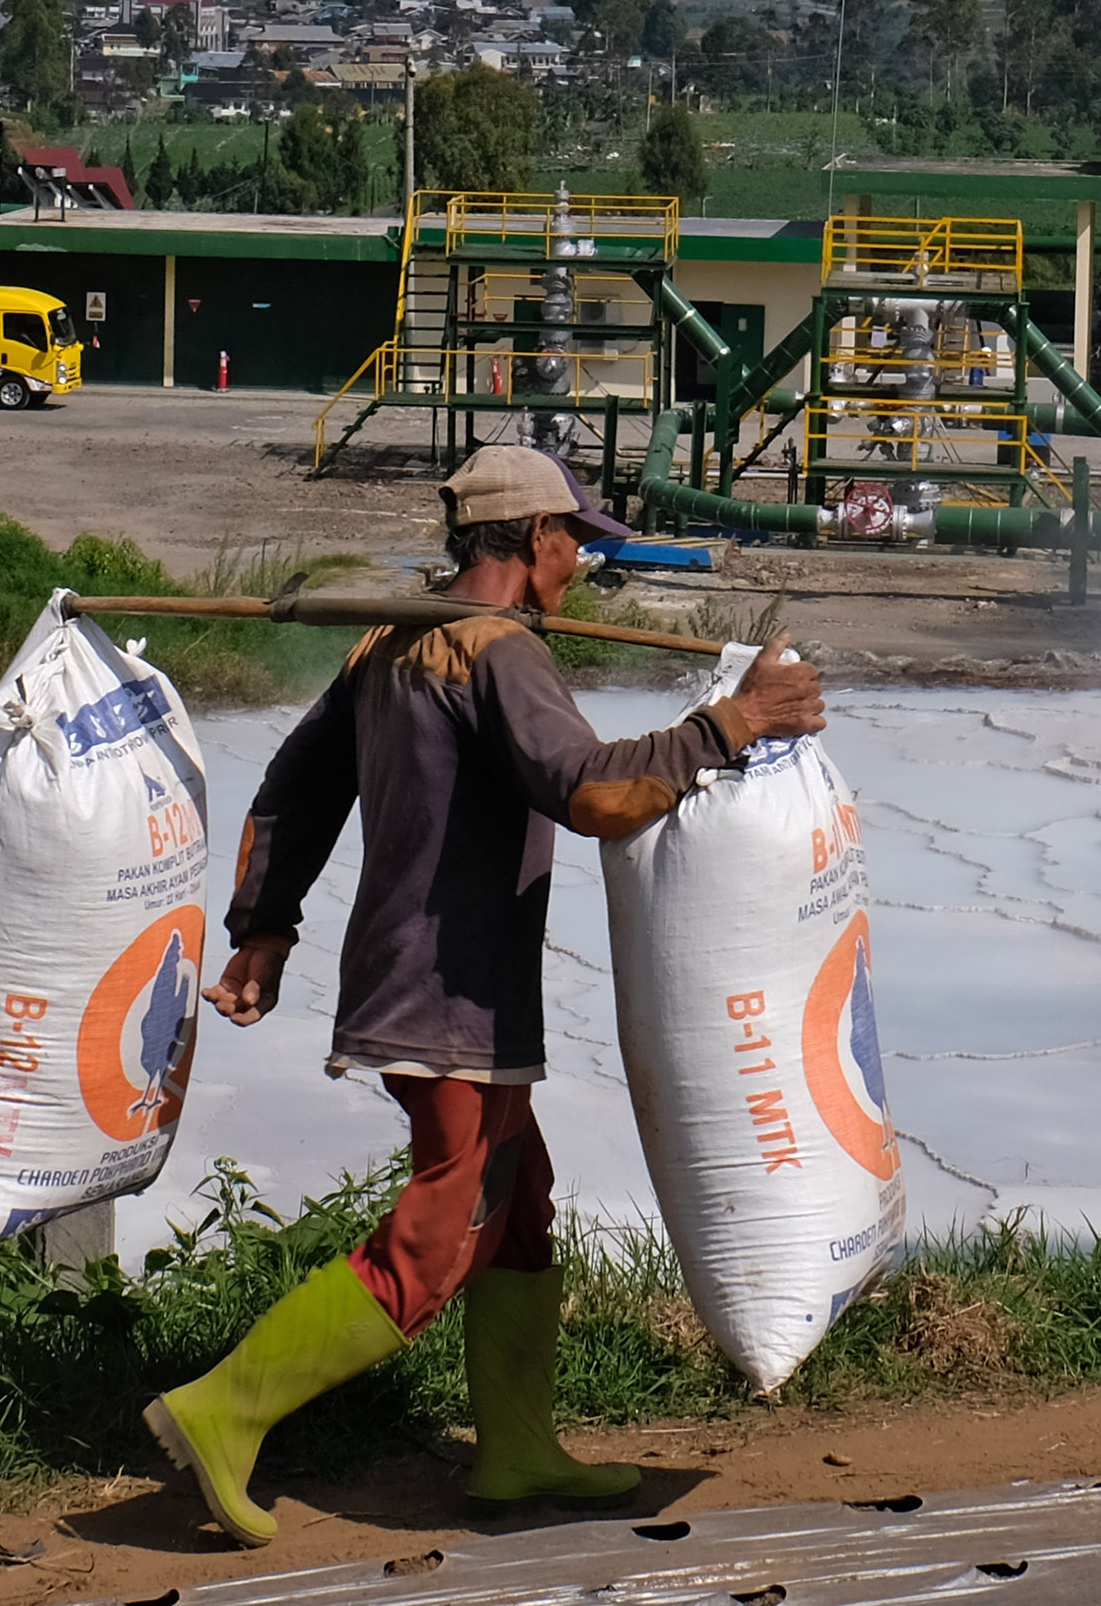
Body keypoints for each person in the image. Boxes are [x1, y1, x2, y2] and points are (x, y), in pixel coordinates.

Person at [141, 443, 825, 1547]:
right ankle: (223, 1411)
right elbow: (596, 789)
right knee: (445, 1226)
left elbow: (296, 786)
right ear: (528, 540)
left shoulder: (391, 640)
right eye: (575, 544)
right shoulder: (499, 652)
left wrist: (264, 929)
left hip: (429, 976)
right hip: (449, 986)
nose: (582, 567)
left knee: (519, 1202)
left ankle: (514, 1453)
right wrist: (732, 725)